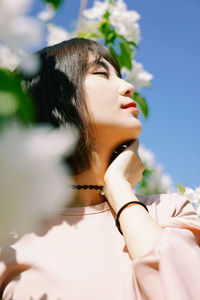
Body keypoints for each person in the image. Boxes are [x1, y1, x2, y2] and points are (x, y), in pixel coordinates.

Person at [0, 38, 200, 300]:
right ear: (55, 98)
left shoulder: (169, 212)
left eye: (120, 76)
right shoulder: (10, 241)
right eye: (100, 73)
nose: (128, 87)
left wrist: (119, 189)